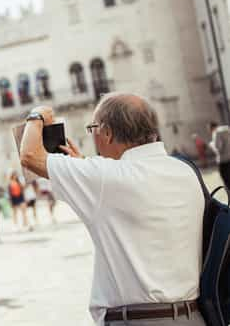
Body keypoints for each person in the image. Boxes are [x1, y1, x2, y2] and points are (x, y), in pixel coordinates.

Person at [19, 92, 205, 326]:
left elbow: (29, 156)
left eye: (93, 127)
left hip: (139, 320)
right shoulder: (185, 171)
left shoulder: (105, 179)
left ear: (106, 132)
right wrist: (86, 168)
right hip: (193, 317)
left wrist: (36, 115)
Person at [209, 122, 230, 189]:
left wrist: (212, 145)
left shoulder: (216, 132)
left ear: (211, 128)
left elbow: (218, 148)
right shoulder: (227, 129)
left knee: (227, 182)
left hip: (224, 161)